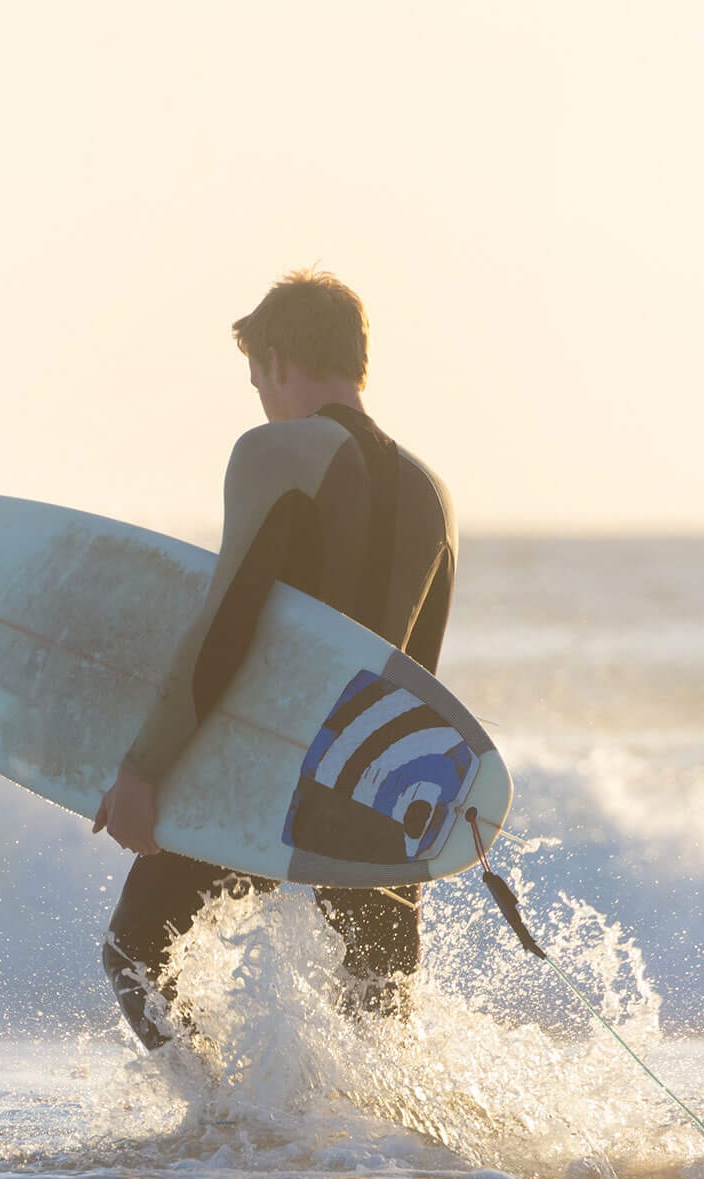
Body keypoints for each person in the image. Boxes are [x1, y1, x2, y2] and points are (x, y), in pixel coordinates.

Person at [91, 269, 457, 1049]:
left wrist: (145, 768)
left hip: (263, 768)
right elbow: (419, 683)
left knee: (136, 950)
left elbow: (226, 627)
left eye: (257, 374)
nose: (259, 392)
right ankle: (385, 1160)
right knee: (378, 1022)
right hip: (372, 787)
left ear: (278, 360)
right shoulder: (434, 493)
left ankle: (227, 1124)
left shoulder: (274, 452)